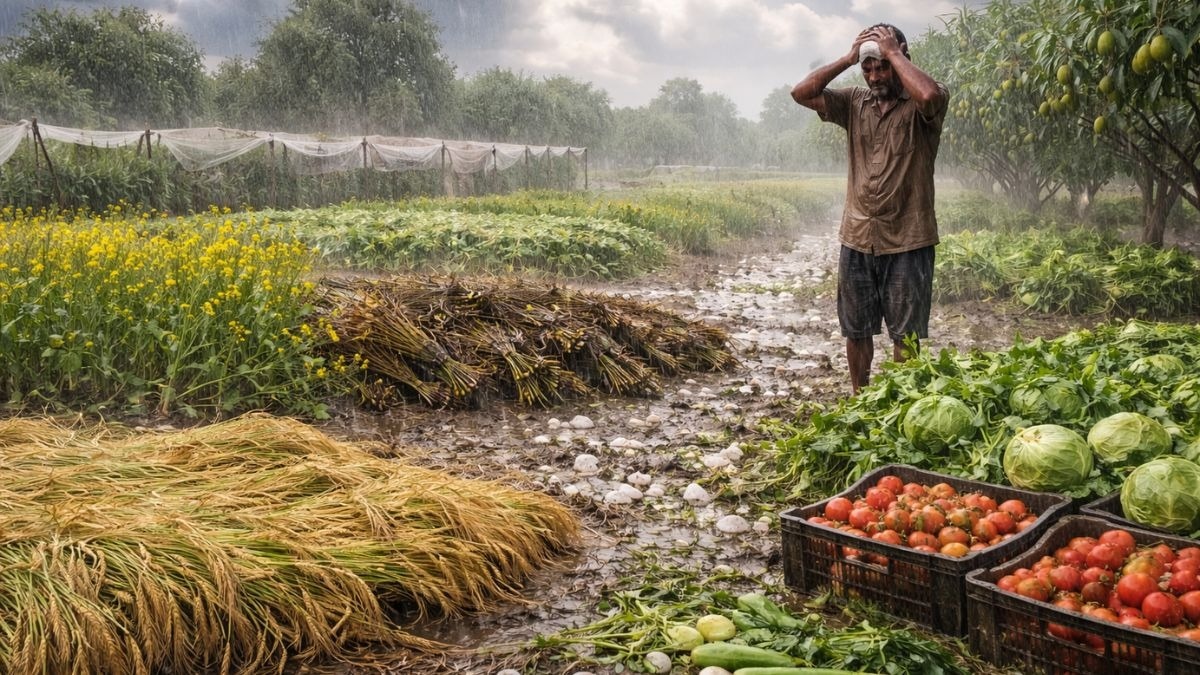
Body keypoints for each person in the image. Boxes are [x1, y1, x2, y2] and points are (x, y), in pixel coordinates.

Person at [790, 23, 949, 395]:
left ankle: (896, 402)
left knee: (904, 334)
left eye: (883, 66)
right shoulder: (854, 103)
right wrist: (849, 57)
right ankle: (860, 398)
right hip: (858, 237)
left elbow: (927, 96)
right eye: (869, 68)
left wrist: (892, 51)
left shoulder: (926, 100)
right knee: (856, 329)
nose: (875, 76)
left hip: (908, 239)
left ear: (902, 57)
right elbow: (801, 93)